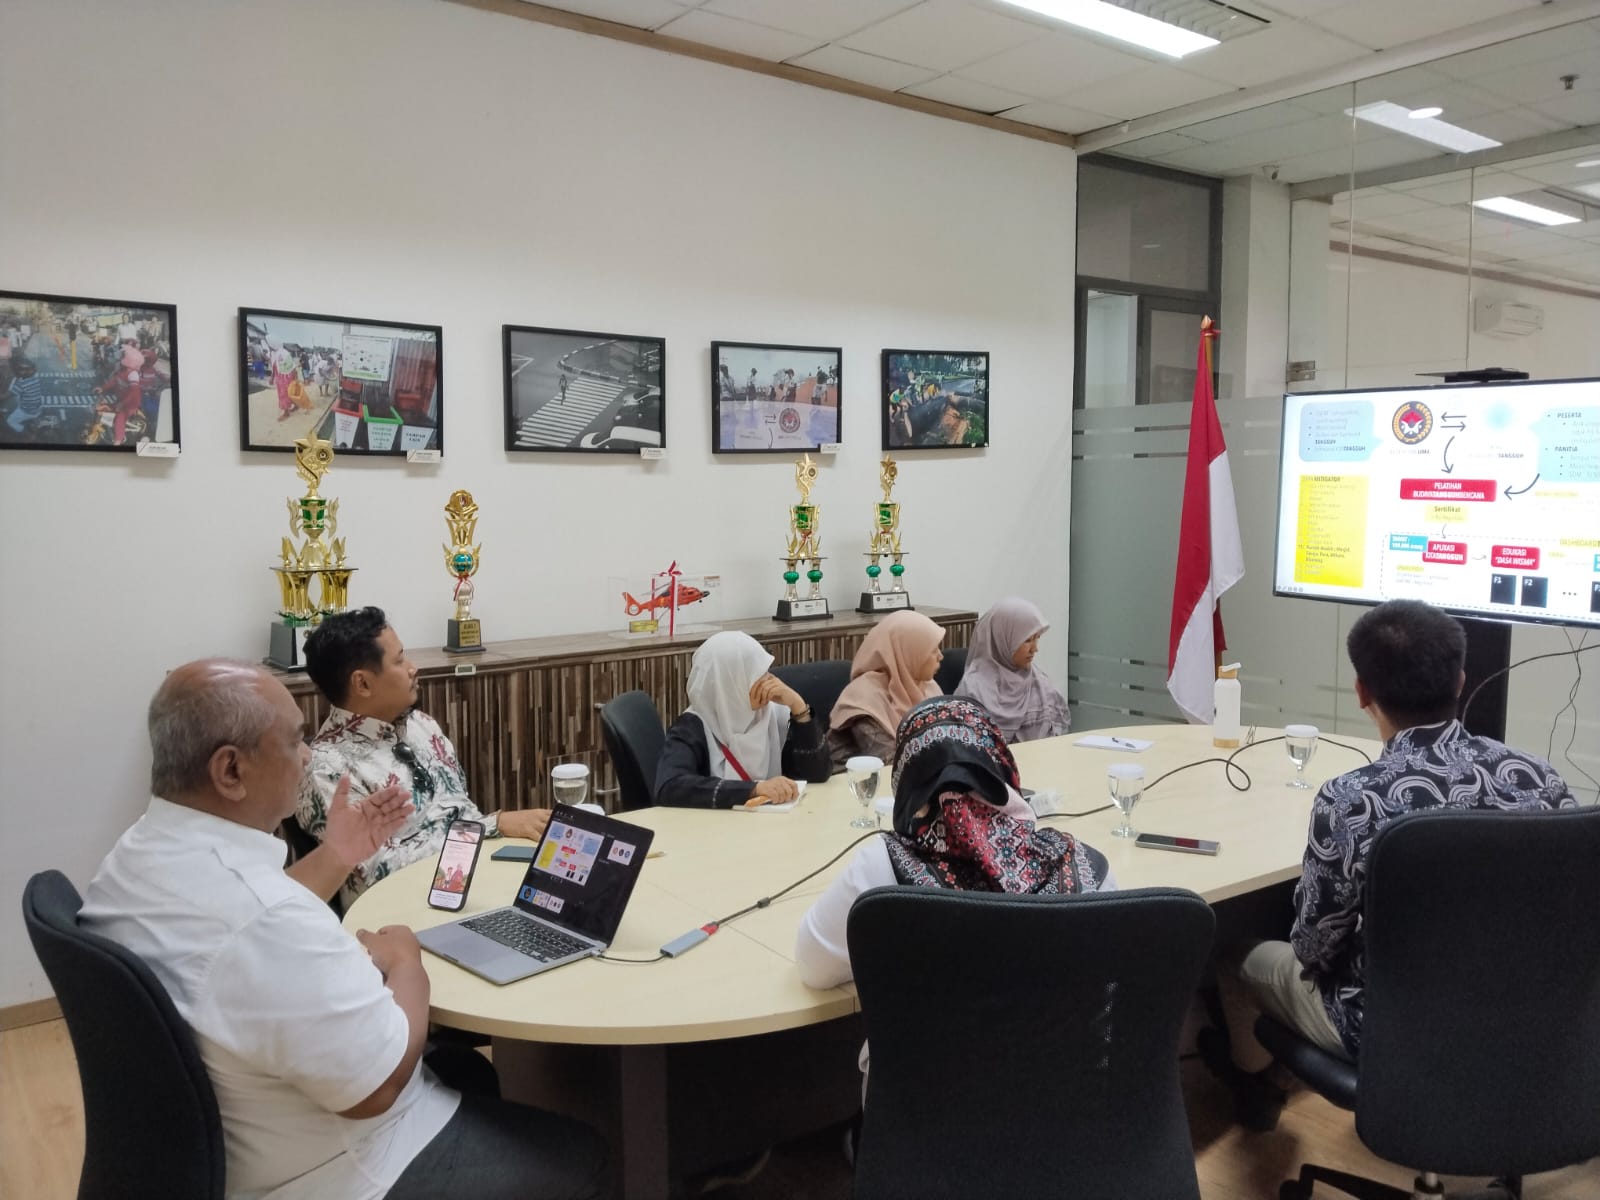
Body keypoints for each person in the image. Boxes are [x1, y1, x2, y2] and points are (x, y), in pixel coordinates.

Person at [79, 659, 609, 1200]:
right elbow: (377, 1087)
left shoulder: (137, 856)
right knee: (586, 1157)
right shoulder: (264, 918)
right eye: (294, 741)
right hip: (348, 1166)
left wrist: (339, 854)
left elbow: (246, 919)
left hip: (244, 1136)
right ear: (230, 771)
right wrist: (407, 964)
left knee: (465, 1071)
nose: (307, 755)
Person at [1210, 599, 1576, 1125]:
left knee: (1236, 957)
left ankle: (1255, 1087)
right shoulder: (1539, 776)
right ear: (1461, 682)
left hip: (1393, 1029)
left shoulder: (1352, 800)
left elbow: (1312, 949)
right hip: (1532, 1020)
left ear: (1362, 693)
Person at [796, 697, 1115, 1078]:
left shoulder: (883, 868)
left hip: (926, 1101)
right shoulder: (1083, 864)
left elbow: (813, 967)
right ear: (1002, 768)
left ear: (907, 783)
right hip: (1070, 1094)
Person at [297, 606, 550, 905]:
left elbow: (463, 813)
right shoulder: (327, 769)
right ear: (362, 683)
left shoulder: (421, 725)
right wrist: (493, 826)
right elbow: (381, 870)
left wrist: (494, 831)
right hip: (402, 912)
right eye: (399, 660)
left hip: (475, 882)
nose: (412, 668)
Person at [655, 630, 830, 808]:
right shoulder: (692, 726)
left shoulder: (774, 714)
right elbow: (670, 787)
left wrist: (799, 707)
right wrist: (753, 790)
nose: (768, 681)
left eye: (765, 672)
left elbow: (817, 774)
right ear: (729, 683)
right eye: (756, 674)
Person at [828, 610, 944, 771]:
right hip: (856, 783)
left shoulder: (928, 687)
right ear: (908, 653)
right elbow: (891, 763)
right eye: (932, 650)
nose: (940, 656)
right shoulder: (863, 698)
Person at [955, 597, 1070, 743]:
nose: (1035, 648)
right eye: (1027, 640)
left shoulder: (1039, 681)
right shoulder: (974, 688)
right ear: (1002, 639)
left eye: (1037, 638)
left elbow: (1058, 737)